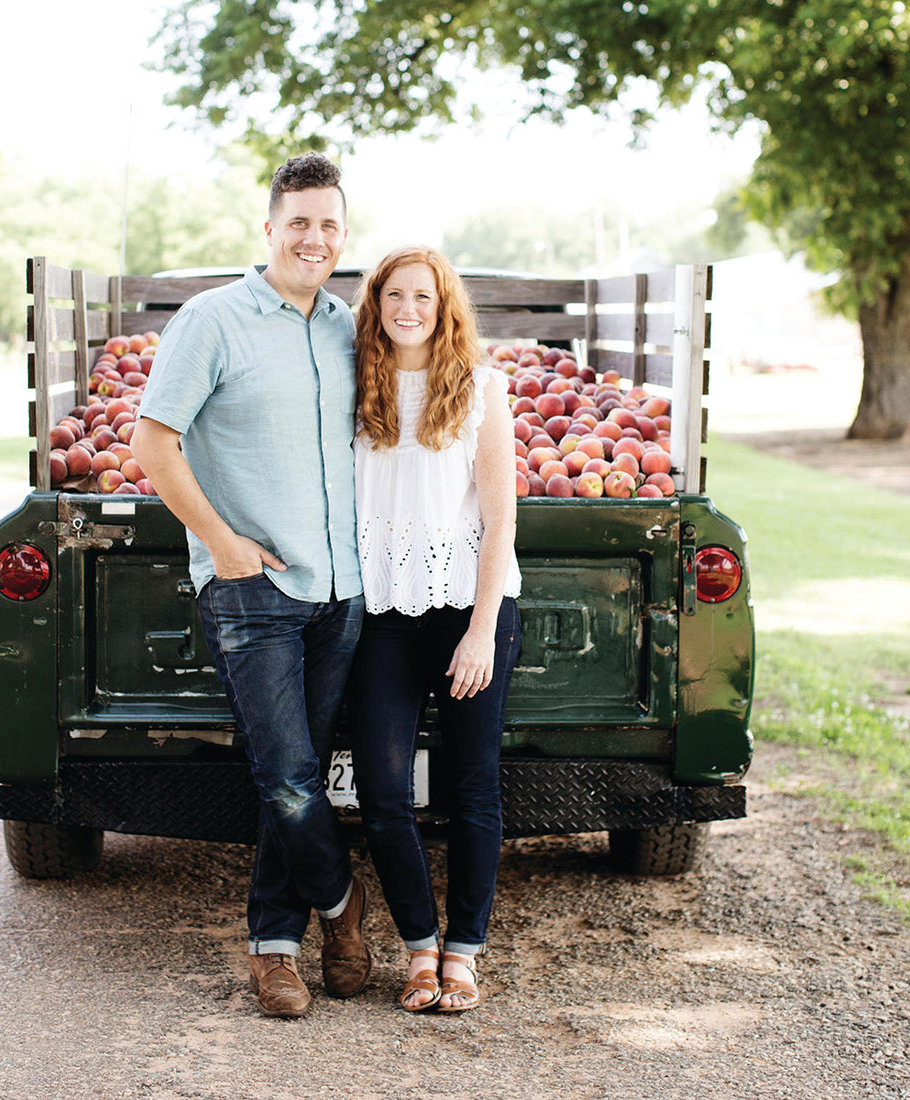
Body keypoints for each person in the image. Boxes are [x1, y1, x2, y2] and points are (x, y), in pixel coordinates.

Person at [131, 153, 370, 1019]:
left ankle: (276, 946)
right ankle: (343, 910)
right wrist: (223, 544)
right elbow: (153, 445)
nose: (314, 237)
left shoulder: (350, 326)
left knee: (296, 770)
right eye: (298, 221)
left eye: (329, 224)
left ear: (344, 237)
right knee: (289, 777)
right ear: (269, 227)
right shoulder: (211, 321)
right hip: (253, 591)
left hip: (341, 592)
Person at [346, 246, 523, 1013]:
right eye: (394, 295)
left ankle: (464, 954)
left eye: (423, 295)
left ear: (445, 306)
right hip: (384, 612)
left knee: (473, 785)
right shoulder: (355, 387)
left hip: (469, 608)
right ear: (375, 305)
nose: (408, 308)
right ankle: (419, 947)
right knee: (384, 792)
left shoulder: (482, 389)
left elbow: (499, 518)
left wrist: (481, 631)